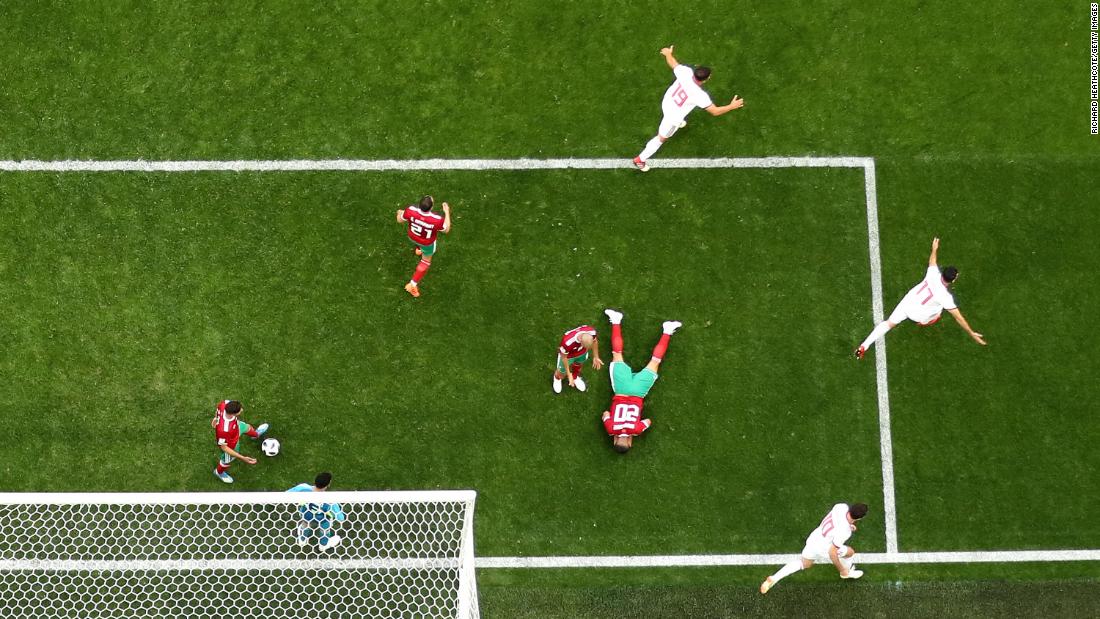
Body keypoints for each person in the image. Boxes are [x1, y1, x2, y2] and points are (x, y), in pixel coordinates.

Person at [856, 237, 987, 359]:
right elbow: (959, 318)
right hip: (918, 315)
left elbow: (932, 261)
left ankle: (864, 346)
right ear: (953, 280)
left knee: (888, 323)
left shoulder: (933, 273)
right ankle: (927, 321)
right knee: (937, 312)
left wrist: (934, 249)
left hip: (907, 303)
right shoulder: (945, 298)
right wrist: (971, 333)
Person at [633, 45, 744, 172]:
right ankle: (640, 159)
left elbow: (673, 63)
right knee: (661, 138)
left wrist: (668, 54)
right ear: (706, 79)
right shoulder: (700, 96)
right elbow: (715, 111)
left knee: (677, 116)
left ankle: (678, 122)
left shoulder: (686, 72)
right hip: (672, 118)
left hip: (668, 102)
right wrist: (731, 106)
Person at [600, 309, 681, 453]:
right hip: (622, 389)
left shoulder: (637, 430)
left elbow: (648, 421)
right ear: (615, 439)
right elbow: (606, 414)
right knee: (617, 354)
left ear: (630, 442)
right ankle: (616, 321)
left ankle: (667, 330)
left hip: (638, 393)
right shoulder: (610, 428)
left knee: (655, 361)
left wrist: (633, 429)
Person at [760, 502, 869, 594]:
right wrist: (842, 569)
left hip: (814, 538)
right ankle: (847, 572)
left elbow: (837, 521)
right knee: (850, 552)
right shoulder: (844, 532)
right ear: (859, 518)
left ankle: (774, 578)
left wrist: (848, 525)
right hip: (825, 548)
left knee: (804, 564)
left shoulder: (841, 506)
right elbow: (832, 553)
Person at [396, 195, 452, 298]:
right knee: (426, 262)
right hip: (426, 243)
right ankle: (412, 285)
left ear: (419, 204)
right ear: (431, 207)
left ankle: (418, 249)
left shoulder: (410, 210)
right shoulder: (437, 220)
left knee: (418, 237)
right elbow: (446, 229)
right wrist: (447, 212)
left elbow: (399, 220)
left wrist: (399, 212)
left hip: (413, 236)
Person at [211, 400, 269, 484]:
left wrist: (216, 419)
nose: (241, 410)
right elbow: (224, 447)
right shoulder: (223, 430)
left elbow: (218, 410)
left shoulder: (224, 403)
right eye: (240, 410)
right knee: (227, 460)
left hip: (236, 426)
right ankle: (219, 472)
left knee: (248, 427)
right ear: (233, 414)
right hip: (231, 443)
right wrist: (242, 457)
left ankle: (256, 434)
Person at [287, 472, 346, 551]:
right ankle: (323, 545)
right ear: (328, 484)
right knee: (325, 529)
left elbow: (286, 495)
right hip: (322, 519)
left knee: (305, 524)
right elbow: (340, 518)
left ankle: (302, 540)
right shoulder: (331, 500)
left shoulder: (302, 488)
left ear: (315, 481)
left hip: (306, 515)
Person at [553, 324, 604, 393]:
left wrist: (596, 356)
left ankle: (575, 377)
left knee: (578, 365)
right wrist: (568, 374)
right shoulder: (567, 342)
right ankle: (557, 378)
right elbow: (564, 357)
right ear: (580, 341)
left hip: (581, 353)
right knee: (561, 373)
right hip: (568, 356)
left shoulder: (591, 332)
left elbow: (595, 341)